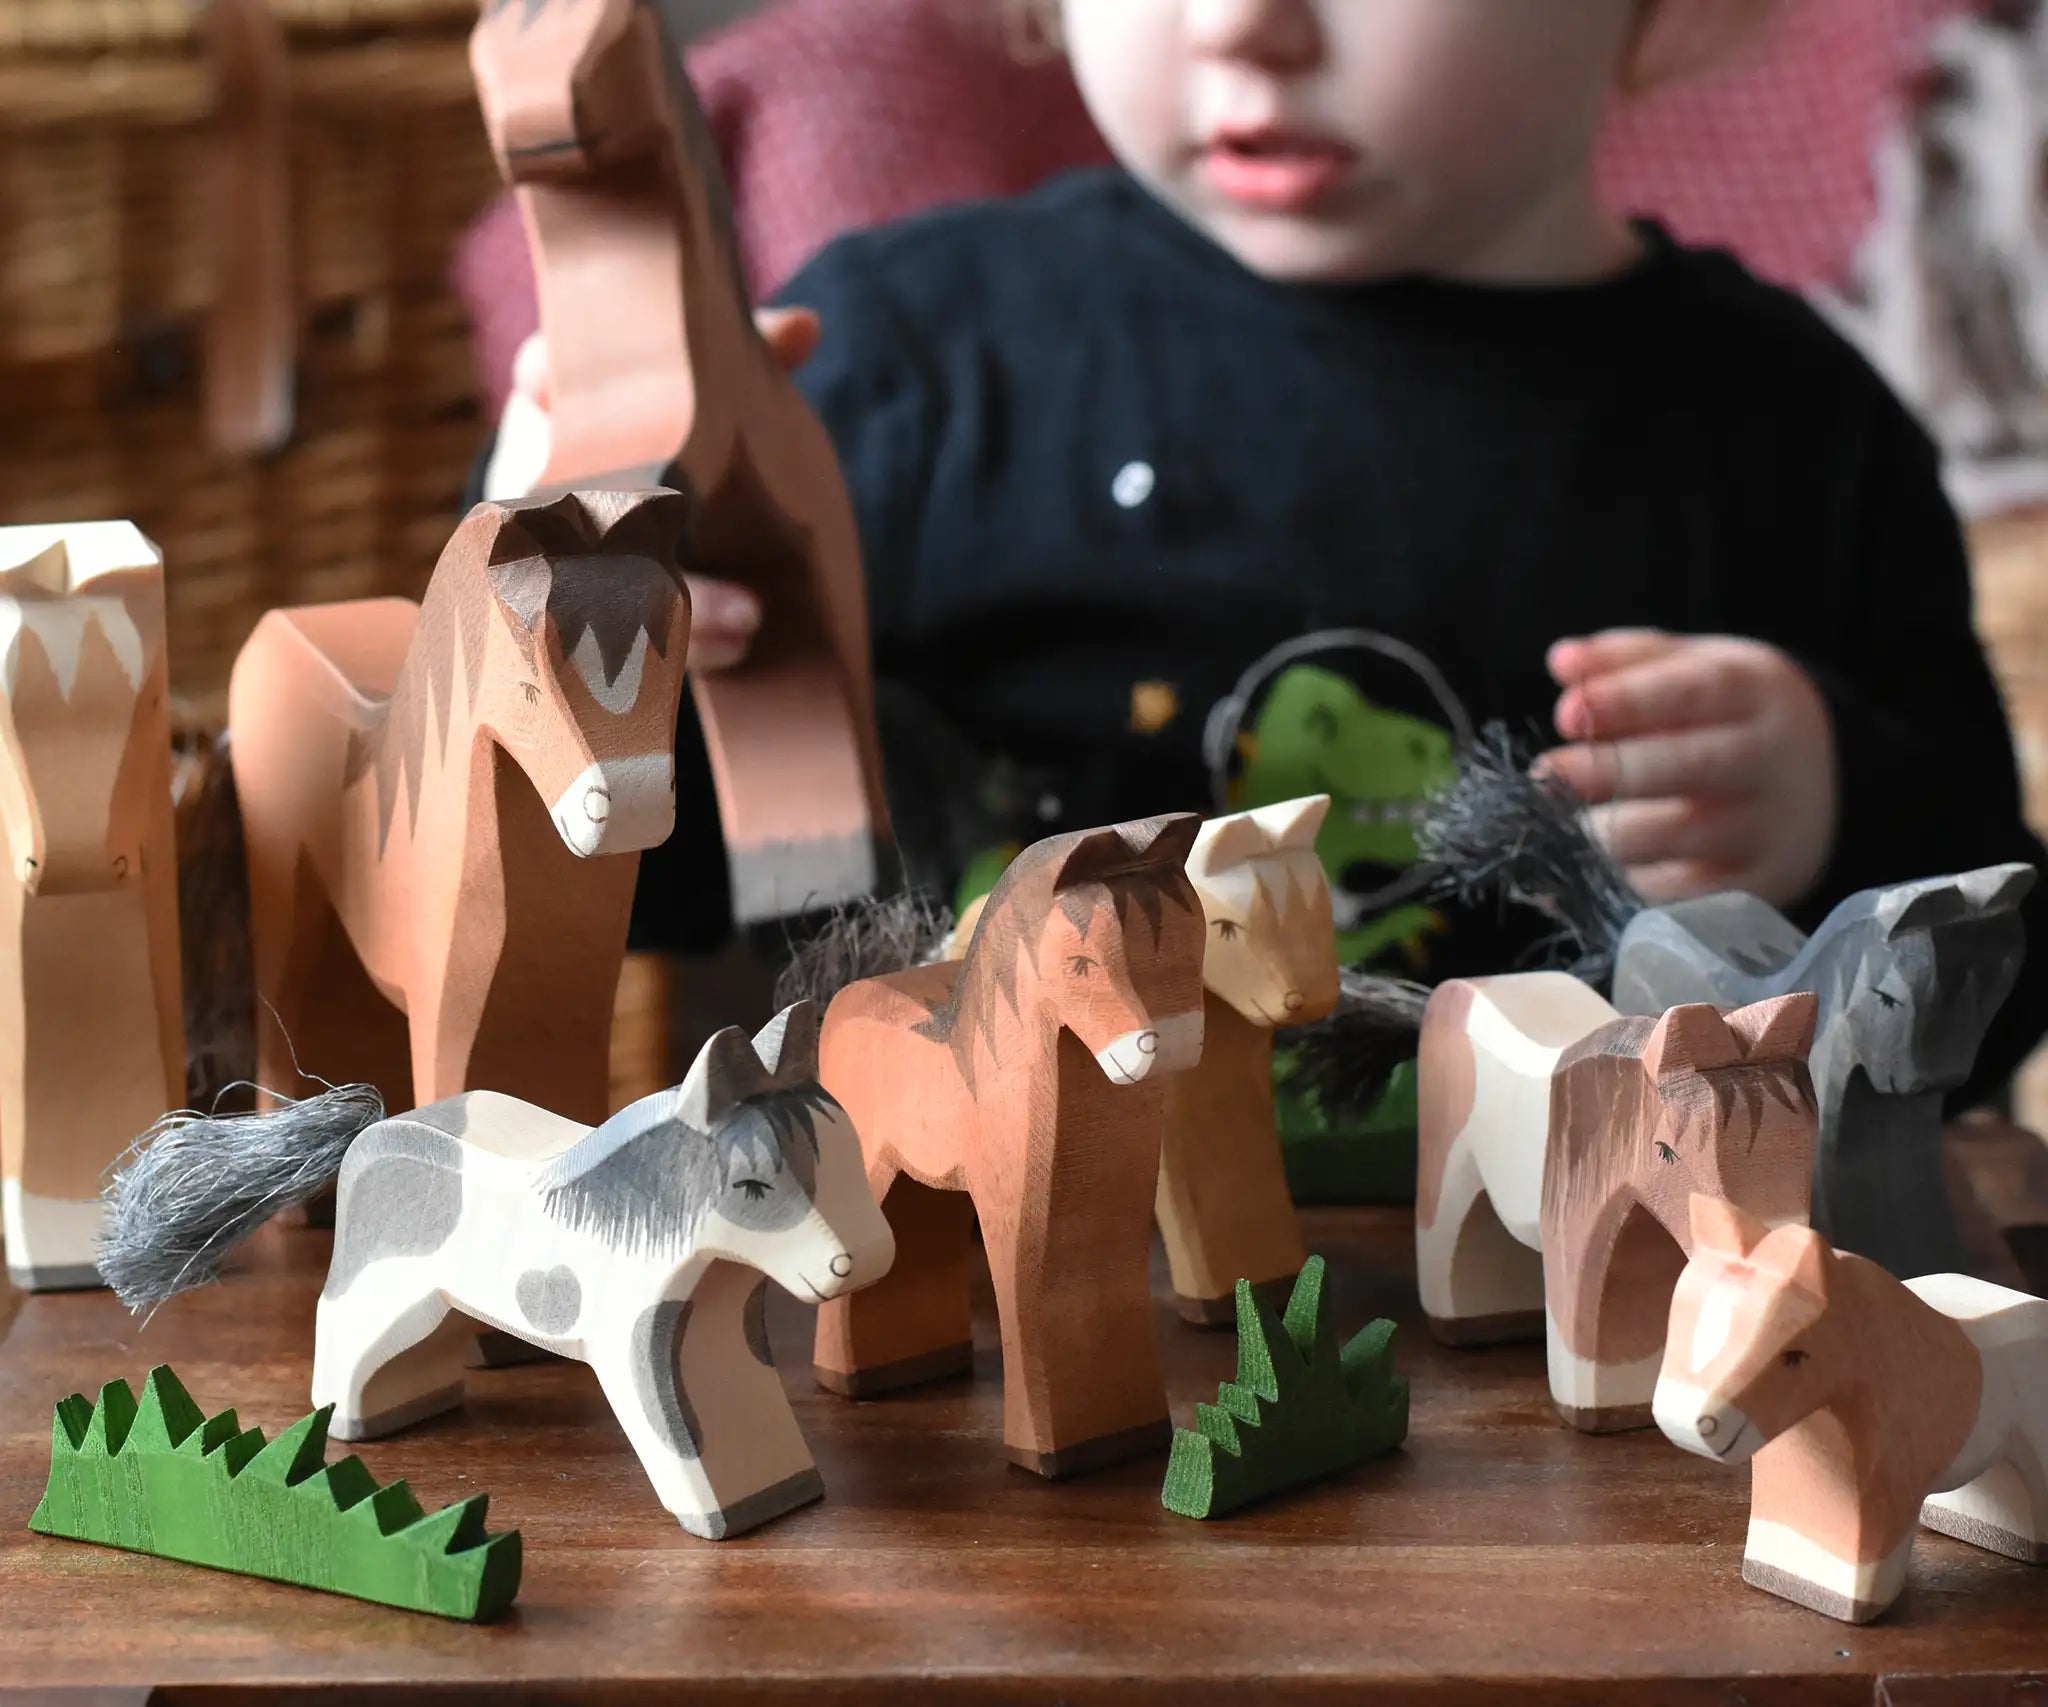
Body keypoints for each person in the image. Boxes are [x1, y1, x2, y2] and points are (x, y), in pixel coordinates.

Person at [484, 0, 2048, 1098]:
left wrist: (1838, 822)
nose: (1241, 19)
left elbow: (1996, 1005)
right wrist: (564, 611)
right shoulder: (883, 365)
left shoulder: (1792, 433)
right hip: (946, 1338)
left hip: (1597, 1392)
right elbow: (641, 889)